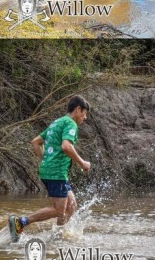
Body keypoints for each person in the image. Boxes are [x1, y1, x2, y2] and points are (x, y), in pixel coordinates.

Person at [8, 95, 92, 242]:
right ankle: (20, 222)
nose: (85, 117)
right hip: (56, 173)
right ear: (78, 109)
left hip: (52, 171)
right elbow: (66, 146)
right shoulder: (71, 124)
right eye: (85, 113)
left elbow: (36, 142)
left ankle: (58, 235)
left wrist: (46, 161)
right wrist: (82, 163)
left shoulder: (57, 122)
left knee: (71, 205)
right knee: (59, 210)